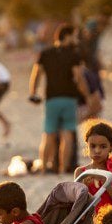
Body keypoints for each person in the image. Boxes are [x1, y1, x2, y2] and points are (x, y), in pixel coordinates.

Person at [29, 24, 89, 174]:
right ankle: (63, 168)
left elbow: (36, 74)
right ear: (66, 36)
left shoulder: (46, 53)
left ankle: (43, 167)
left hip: (52, 99)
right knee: (68, 134)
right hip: (69, 99)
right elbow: (78, 77)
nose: (75, 39)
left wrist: (33, 92)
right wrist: (86, 95)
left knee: (48, 134)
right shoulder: (73, 55)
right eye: (73, 36)